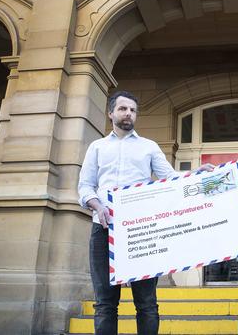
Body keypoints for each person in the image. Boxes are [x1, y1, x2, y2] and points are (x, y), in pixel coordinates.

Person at [77, 90, 213, 335]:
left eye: (133, 110)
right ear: (111, 113)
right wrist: (97, 205)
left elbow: (170, 179)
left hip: (141, 233)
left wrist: (196, 175)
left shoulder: (148, 147)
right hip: (103, 231)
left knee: (147, 304)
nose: (128, 113)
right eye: (123, 109)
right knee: (105, 304)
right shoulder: (96, 147)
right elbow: (85, 186)